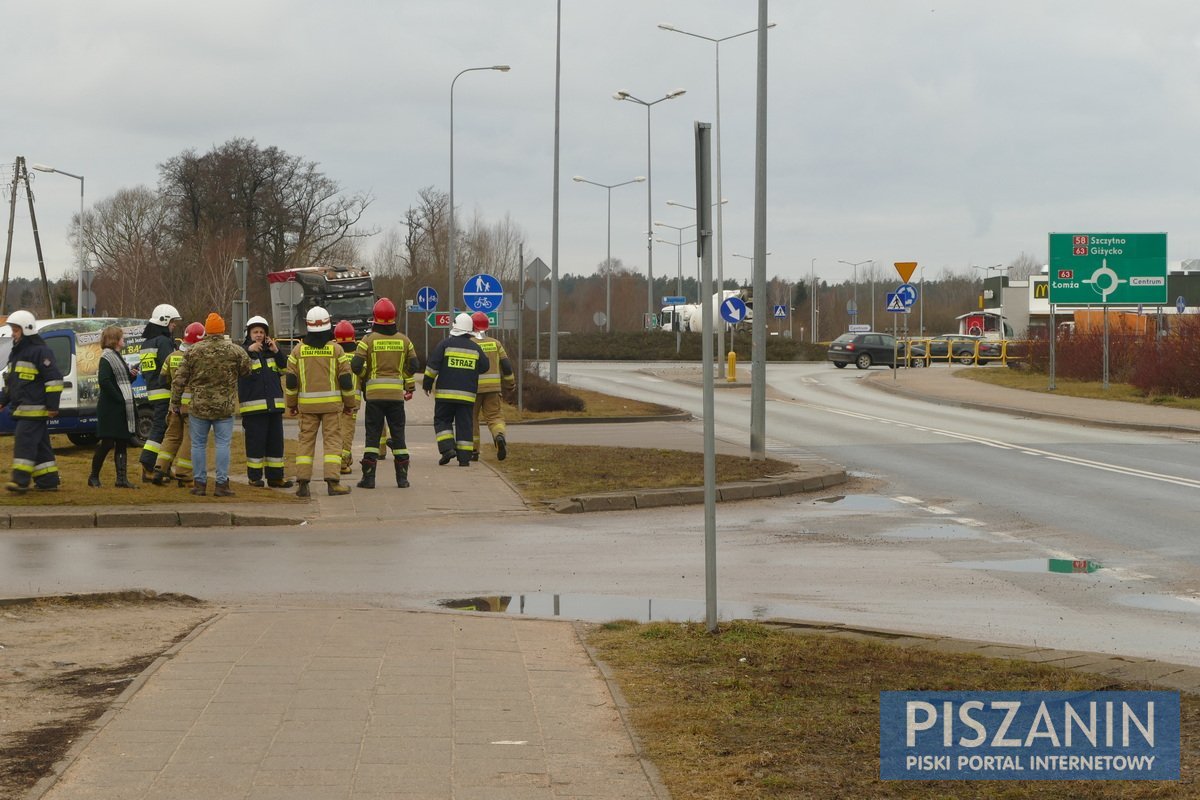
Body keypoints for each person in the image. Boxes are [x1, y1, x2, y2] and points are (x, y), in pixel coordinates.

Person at [170, 313, 250, 497]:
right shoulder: (235, 351)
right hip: (224, 407)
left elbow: (179, 380)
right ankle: (222, 484)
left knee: (198, 445)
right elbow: (247, 371)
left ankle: (199, 484)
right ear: (222, 330)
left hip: (199, 407)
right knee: (223, 444)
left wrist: (175, 403)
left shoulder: (193, 351)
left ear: (207, 330)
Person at [284, 306, 356, 497]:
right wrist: (350, 405)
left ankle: (302, 484)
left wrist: (291, 405)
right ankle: (333, 483)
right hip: (332, 407)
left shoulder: (297, 351)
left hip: (307, 408)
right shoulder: (337, 350)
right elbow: (347, 382)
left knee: (305, 442)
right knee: (332, 442)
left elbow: (291, 382)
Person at [351, 298, 419, 488]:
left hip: (374, 396)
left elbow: (355, 365)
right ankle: (402, 479)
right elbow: (414, 365)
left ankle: (369, 479)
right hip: (396, 397)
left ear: (375, 318)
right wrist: (401, 377)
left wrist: (366, 377)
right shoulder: (405, 340)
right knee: (398, 436)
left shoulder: (367, 340)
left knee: (372, 437)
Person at [0, 310, 63, 492]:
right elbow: (11, 382)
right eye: (12, 330)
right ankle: (48, 481)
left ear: (26, 330)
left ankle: (20, 481)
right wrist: (3, 400)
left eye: (16, 330)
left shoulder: (41, 352)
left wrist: (52, 406)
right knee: (41, 445)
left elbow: (54, 380)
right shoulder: (17, 353)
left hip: (34, 410)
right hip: (23, 408)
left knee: (24, 440)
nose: (13, 333)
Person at [422, 312, 488, 467]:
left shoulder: (445, 344)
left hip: (445, 395)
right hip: (467, 396)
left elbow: (432, 366)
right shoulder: (475, 348)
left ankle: (447, 449)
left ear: (455, 327)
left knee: (442, 420)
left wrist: (427, 384)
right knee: (465, 425)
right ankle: (464, 459)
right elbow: (485, 367)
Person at [238, 316, 293, 488]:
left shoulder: (272, 352)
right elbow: (236, 368)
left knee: (276, 445)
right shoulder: (241, 352)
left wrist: (277, 351)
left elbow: (285, 369)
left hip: (274, 408)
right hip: (253, 410)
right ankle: (254, 478)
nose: (259, 335)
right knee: (255, 445)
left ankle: (276, 477)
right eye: (255, 332)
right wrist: (249, 351)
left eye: (262, 332)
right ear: (249, 333)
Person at [151, 322, 205, 487]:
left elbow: (163, 380)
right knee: (190, 439)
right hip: (192, 406)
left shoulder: (172, 356)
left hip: (174, 405)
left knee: (171, 436)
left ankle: (160, 468)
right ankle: (184, 474)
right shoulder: (198, 357)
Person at [89, 326, 140, 489]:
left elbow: (120, 381)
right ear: (115, 340)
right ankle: (93, 477)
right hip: (110, 408)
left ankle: (121, 479)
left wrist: (130, 376)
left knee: (122, 441)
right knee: (107, 443)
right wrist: (119, 398)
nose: (123, 340)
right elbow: (104, 381)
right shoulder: (107, 358)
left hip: (120, 407)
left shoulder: (117, 356)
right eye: (121, 337)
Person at [137, 303, 181, 481]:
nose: (174, 325)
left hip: (153, 391)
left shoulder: (147, 342)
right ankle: (148, 465)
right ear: (163, 322)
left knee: (164, 431)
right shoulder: (163, 342)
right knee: (160, 429)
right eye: (172, 322)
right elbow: (170, 366)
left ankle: (163, 466)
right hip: (164, 391)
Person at [470, 310, 515, 461]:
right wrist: (510, 383)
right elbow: (507, 366)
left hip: (473, 389)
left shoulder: (469, 344)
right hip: (493, 389)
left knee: (472, 419)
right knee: (495, 418)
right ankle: (499, 436)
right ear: (487, 327)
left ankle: (474, 451)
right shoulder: (496, 344)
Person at [333, 320, 360, 477]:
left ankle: (340, 459)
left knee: (335, 432)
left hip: (335, 400)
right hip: (353, 401)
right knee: (347, 432)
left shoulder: (334, 354)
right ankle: (343, 463)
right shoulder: (357, 356)